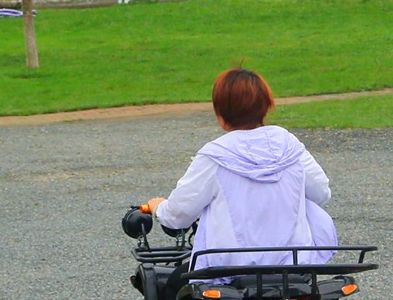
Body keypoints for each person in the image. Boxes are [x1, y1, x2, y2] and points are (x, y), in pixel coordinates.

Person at [140, 68, 336, 270]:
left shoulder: (215, 156)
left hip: (231, 270)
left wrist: (158, 207)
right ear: (266, 106)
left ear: (221, 115)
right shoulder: (290, 146)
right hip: (295, 267)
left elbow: (178, 215)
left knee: (168, 285)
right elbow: (321, 194)